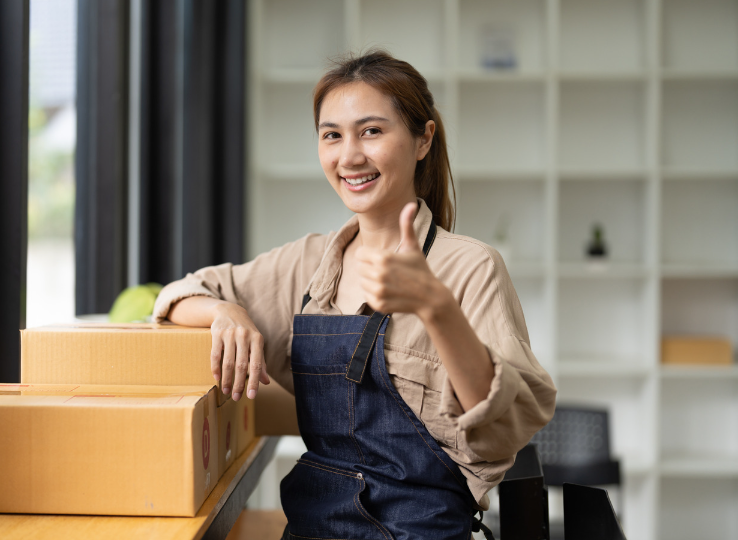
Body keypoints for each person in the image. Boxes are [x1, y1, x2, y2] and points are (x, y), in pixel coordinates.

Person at [152, 50, 556, 539]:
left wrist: (435, 306)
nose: (349, 156)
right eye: (332, 135)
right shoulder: (307, 263)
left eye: (372, 131)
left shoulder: (469, 266)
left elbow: (503, 431)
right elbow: (181, 292)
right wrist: (226, 310)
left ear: (423, 139)